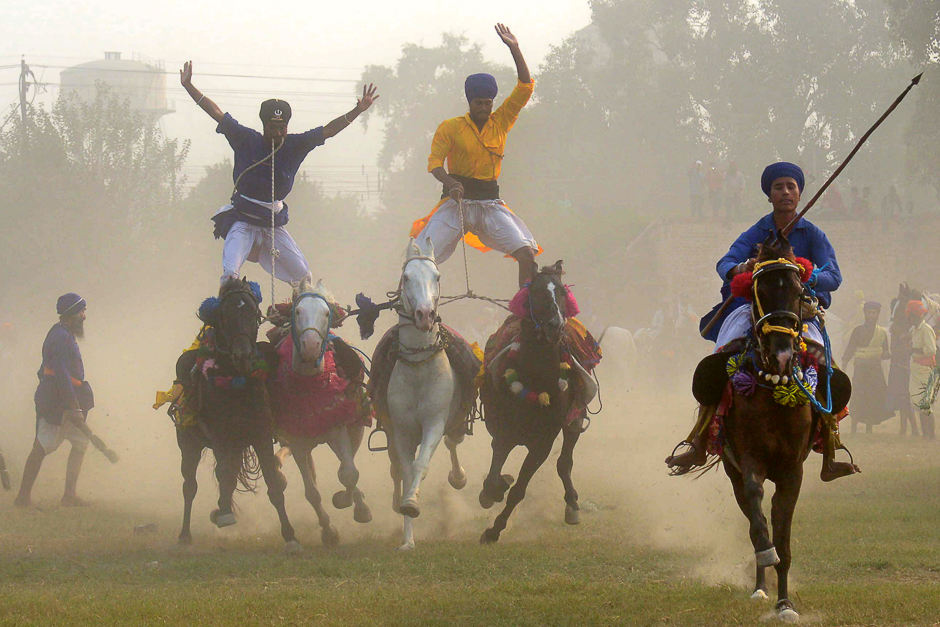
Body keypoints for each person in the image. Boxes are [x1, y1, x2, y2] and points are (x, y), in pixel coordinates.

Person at [666, 162, 859, 481]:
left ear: (799, 193)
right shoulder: (756, 232)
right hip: (754, 309)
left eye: (791, 186)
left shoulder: (813, 234)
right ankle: (699, 440)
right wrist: (743, 268)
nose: (785, 192)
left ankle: (830, 451)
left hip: (799, 310)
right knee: (722, 357)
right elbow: (725, 263)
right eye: (778, 187)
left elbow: (833, 276)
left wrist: (804, 273)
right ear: (769, 195)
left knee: (826, 365)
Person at [179, 61, 379, 284]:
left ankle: (296, 315)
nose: (277, 132)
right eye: (272, 128)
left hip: (273, 226)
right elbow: (216, 113)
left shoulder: (296, 144)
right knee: (230, 275)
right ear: (263, 126)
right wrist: (188, 86)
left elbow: (329, 130)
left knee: (304, 278)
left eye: (282, 127)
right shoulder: (246, 138)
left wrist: (358, 110)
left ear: (287, 126)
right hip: (243, 222)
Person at [410, 24, 538, 289]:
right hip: (456, 203)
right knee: (419, 256)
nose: (483, 108)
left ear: (493, 102)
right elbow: (434, 163)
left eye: (487, 103)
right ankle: (408, 307)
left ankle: (525, 311)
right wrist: (451, 183)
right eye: (478, 103)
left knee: (526, 254)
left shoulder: (501, 121)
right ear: (470, 102)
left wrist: (514, 48)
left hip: (490, 205)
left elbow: (525, 87)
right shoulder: (451, 127)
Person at [14, 294, 94, 507]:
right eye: (81, 311)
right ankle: (22, 498)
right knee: (41, 446)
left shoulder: (65, 334)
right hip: (57, 402)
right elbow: (60, 374)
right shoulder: (60, 337)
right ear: (71, 314)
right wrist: (73, 407)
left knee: (80, 442)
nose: (84, 316)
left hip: (69, 398)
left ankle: (69, 495)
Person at [842, 302, 891, 433]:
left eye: (874, 313)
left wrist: (883, 354)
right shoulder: (857, 331)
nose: (871, 315)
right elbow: (850, 349)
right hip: (861, 368)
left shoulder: (882, 333)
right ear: (865, 314)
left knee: (873, 397)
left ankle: (869, 427)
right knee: (858, 395)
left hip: (875, 369)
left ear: (878, 315)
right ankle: (854, 427)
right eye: (869, 312)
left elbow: (885, 352)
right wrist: (844, 365)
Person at [907, 300, 937, 439]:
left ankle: (930, 435)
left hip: (925, 369)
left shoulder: (926, 329)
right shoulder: (915, 330)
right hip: (917, 368)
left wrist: (913, 349)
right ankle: (926, 435)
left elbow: (931, 349)